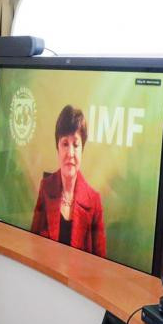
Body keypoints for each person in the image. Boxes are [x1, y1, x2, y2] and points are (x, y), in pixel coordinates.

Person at [30, 105, 106, 256]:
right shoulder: (46, 187)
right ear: (57, 147)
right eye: (65, 144)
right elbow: (33, 244)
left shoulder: (94, 202)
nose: (70, 153)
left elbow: (101, 264)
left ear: (82, 149)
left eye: (76, 145)